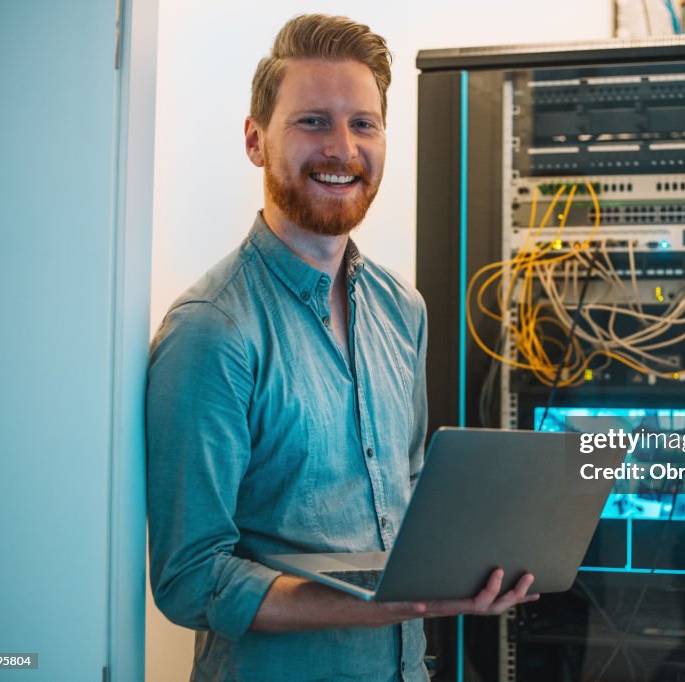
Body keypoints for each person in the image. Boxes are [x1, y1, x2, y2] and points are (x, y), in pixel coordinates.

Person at [145, 13, 538, 681]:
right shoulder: (213, 330)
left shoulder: (401, 309)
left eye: (363, 124)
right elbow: (190, 579)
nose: (342, 148)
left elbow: (407, 498)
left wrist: (474, 563)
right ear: (255, 140)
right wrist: (383, 606)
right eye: (312, 122)